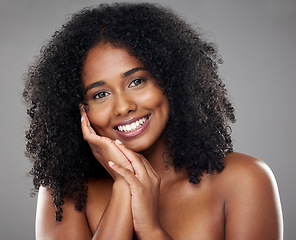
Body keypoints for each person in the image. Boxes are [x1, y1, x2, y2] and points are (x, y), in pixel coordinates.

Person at [23, 2, 283, 240]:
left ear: (169, 81)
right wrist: (125, 188)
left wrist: (150, 228)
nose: (124, 106)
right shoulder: (66, 195)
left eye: (137, 81)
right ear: (81, 111)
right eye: (100, 94)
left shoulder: (243, 179)